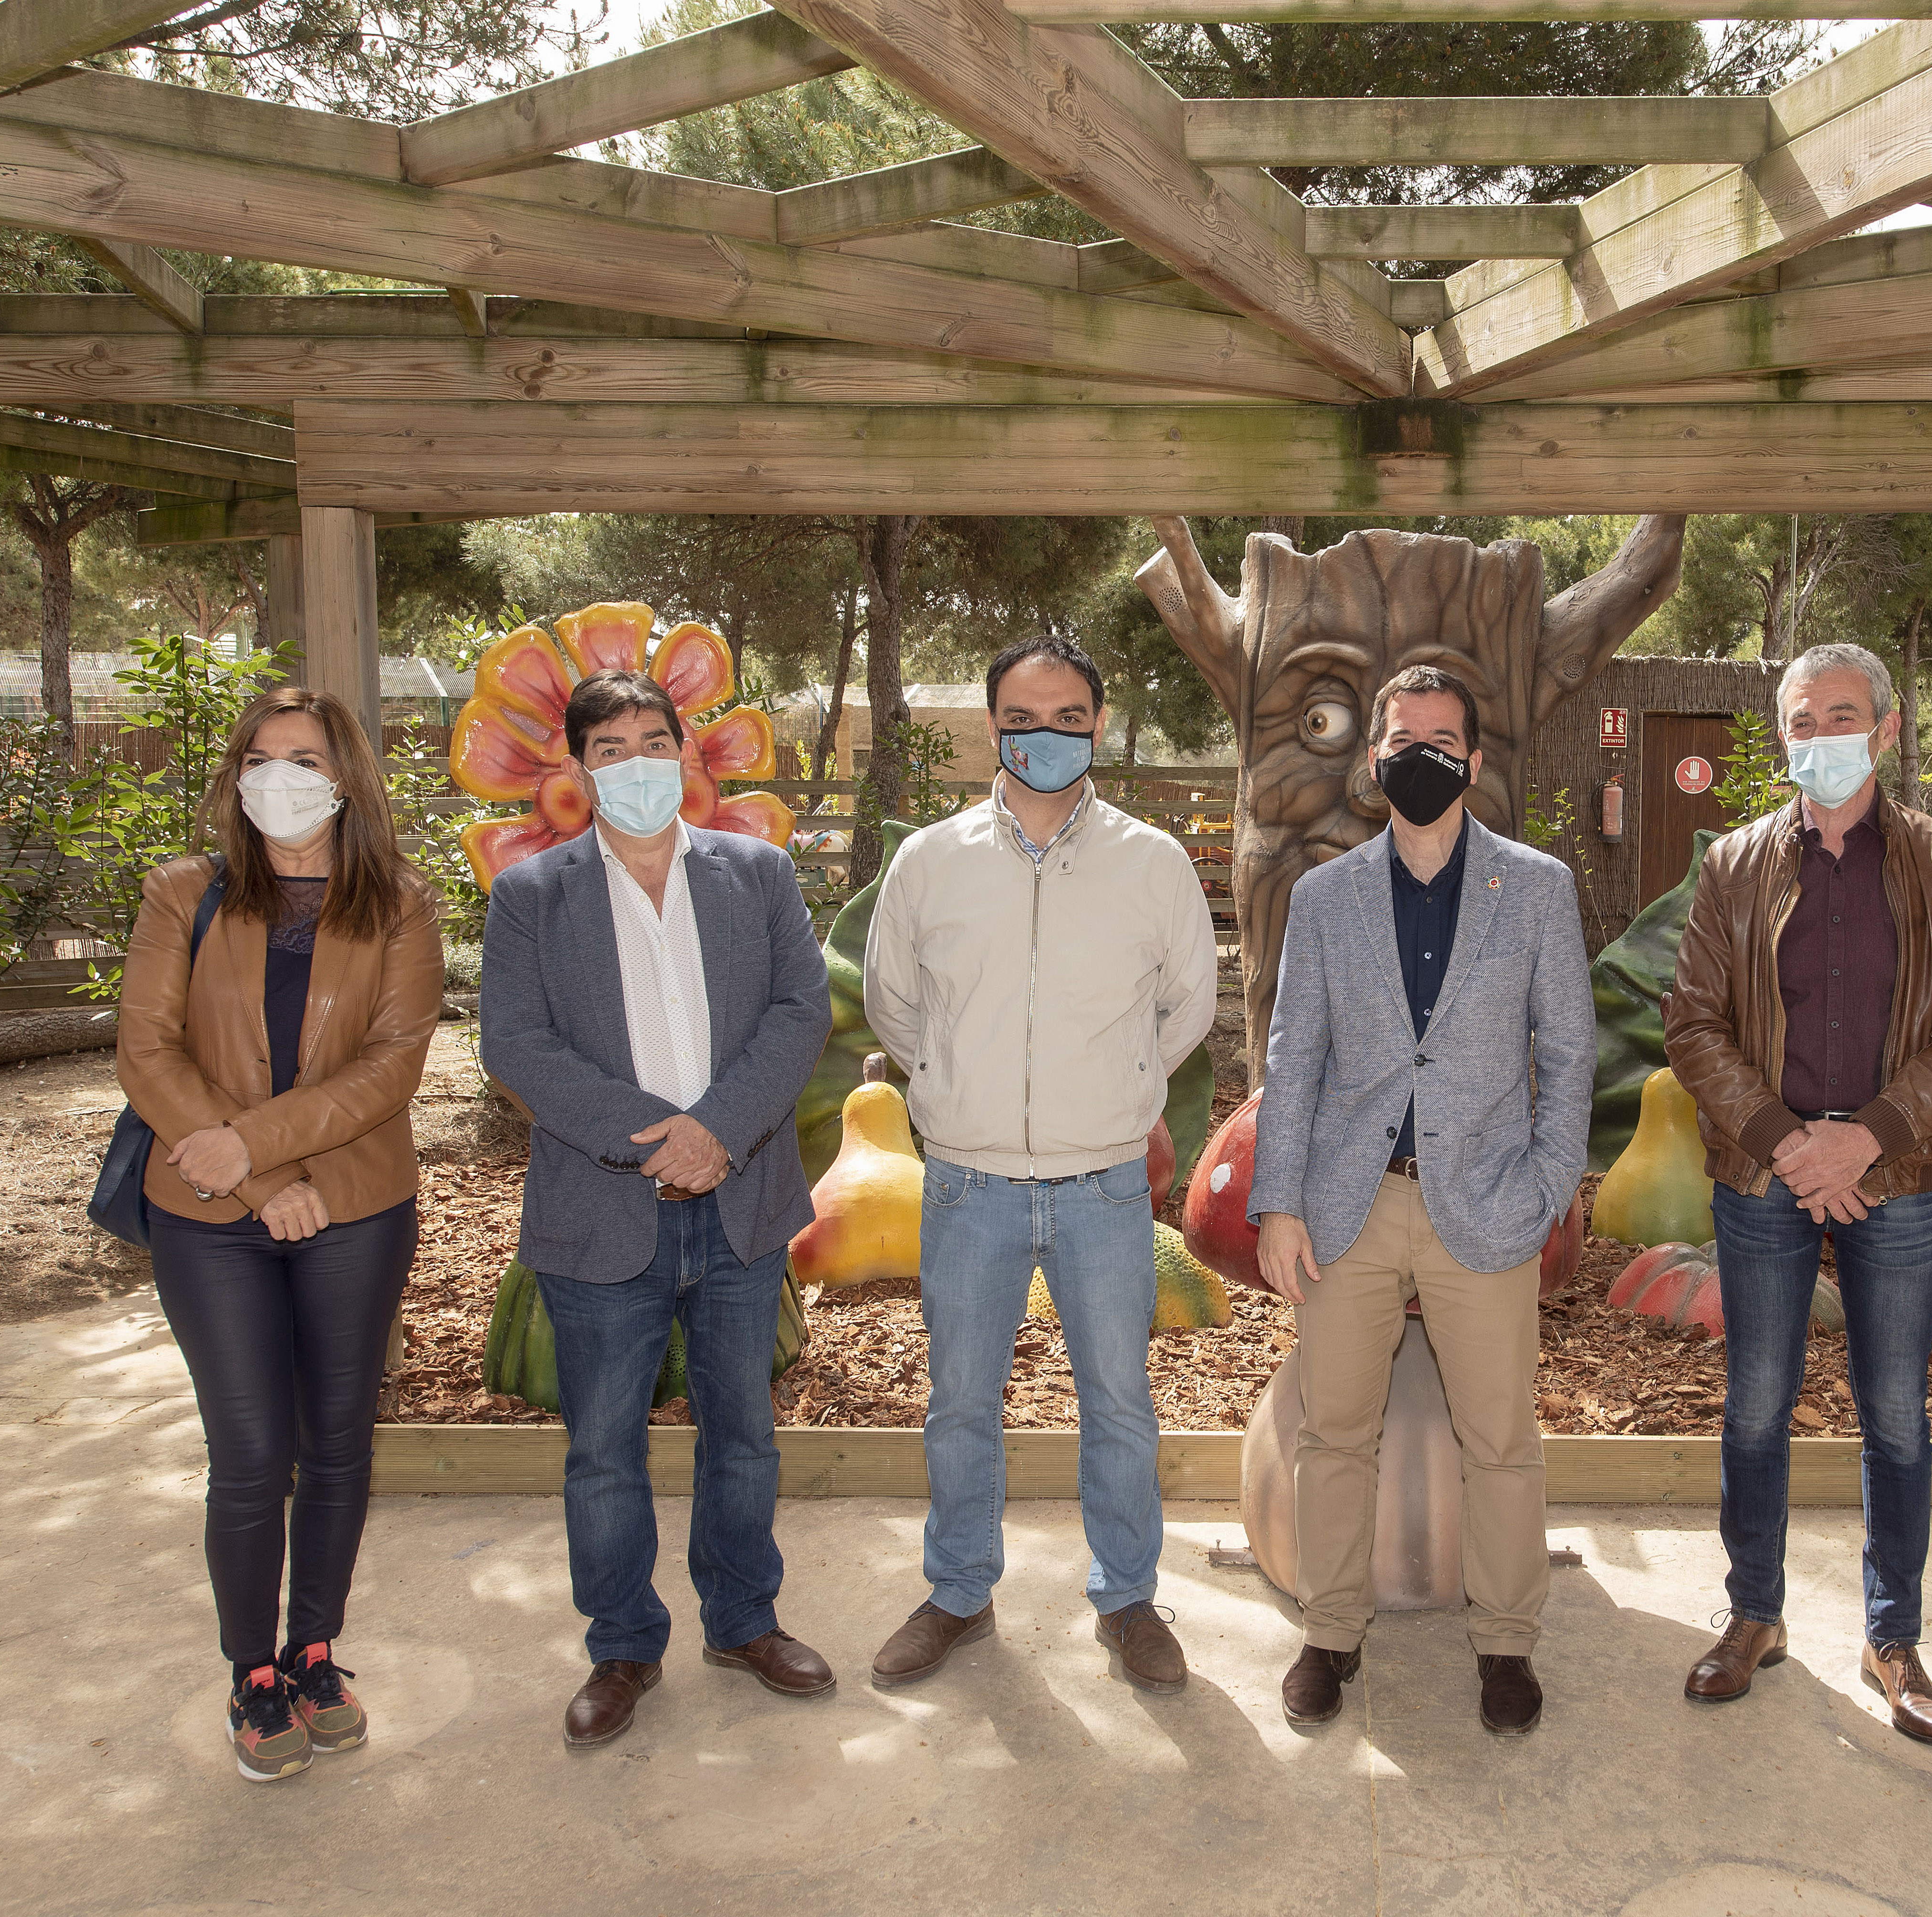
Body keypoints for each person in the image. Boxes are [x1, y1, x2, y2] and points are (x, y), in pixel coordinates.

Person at [481, 668, 836, 1748]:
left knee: (744, 1435)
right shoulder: (531, 897)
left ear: (686, 752)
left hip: (739, 1205)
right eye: (610, 749)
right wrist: (660, 1138)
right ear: (579, 770)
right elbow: (518, 1043)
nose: (636, 765)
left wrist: (717, 1131)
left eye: (652, 741)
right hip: (604, 1212)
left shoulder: (758, 873)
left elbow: (798, 1009)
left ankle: (742, 1620)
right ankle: (624, 1645)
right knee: (602, 1449)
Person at [1660, 642, 1932, 1743]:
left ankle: (1892, 1636)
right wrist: (1784, 1142)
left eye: (1843, 715)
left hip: (1893, 1179)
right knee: (1754, 1406)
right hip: (1761, 1176)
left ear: (1889, 727)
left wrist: (1864, 1139)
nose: (1821, 737)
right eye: (1802, 721)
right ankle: (1752, 1616)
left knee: (1895, 1418)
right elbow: (1693, 1024)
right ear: (1782, 736)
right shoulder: (1734, 866)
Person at [860, 635, 1218, 1694]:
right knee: (961, 1399)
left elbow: (1187, 1003)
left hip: (1105, 1183)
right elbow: (892, 999)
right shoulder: (929, 861)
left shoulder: (1151, 862)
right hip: (968, 1184)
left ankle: (1127, 1599)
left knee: (1117, 1401)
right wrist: (951, 1082)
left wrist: (1113, 1085)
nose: (1047, 735)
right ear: (993, 727)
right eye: (1025, 716)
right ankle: (959, 1592)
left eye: (1070, 717)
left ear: (1096, 727)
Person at [1250, 664, 1596, 1738]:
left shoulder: (1536, 888)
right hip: (1348, 1205)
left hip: (1484, 1205)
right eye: (1402, 739)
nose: (1420, 757)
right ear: (1372, 759)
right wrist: (1277, 1202)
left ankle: (1504, 1644)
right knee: (1332, 1430)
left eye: (1442, 741)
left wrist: (1545, 1188)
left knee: (1499, 1440)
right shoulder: (1324, 895)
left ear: (1475, 762)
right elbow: (1292, 1054)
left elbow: (1570, 1052)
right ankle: (1330, 1630)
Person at [116, 686, 444, 1784]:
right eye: (258, 756)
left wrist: (260, 1149)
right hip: (208, 1213)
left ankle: (315, 1652)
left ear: (344, 776)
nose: (276, 774)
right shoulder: (182, 894)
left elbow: (393, 1063)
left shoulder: (399, 900)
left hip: (354, 1208)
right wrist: (258, 1180)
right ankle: (251, 1671)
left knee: (339, 1444)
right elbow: (147, 1053)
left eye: (301, 756)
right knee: (253, 1454)